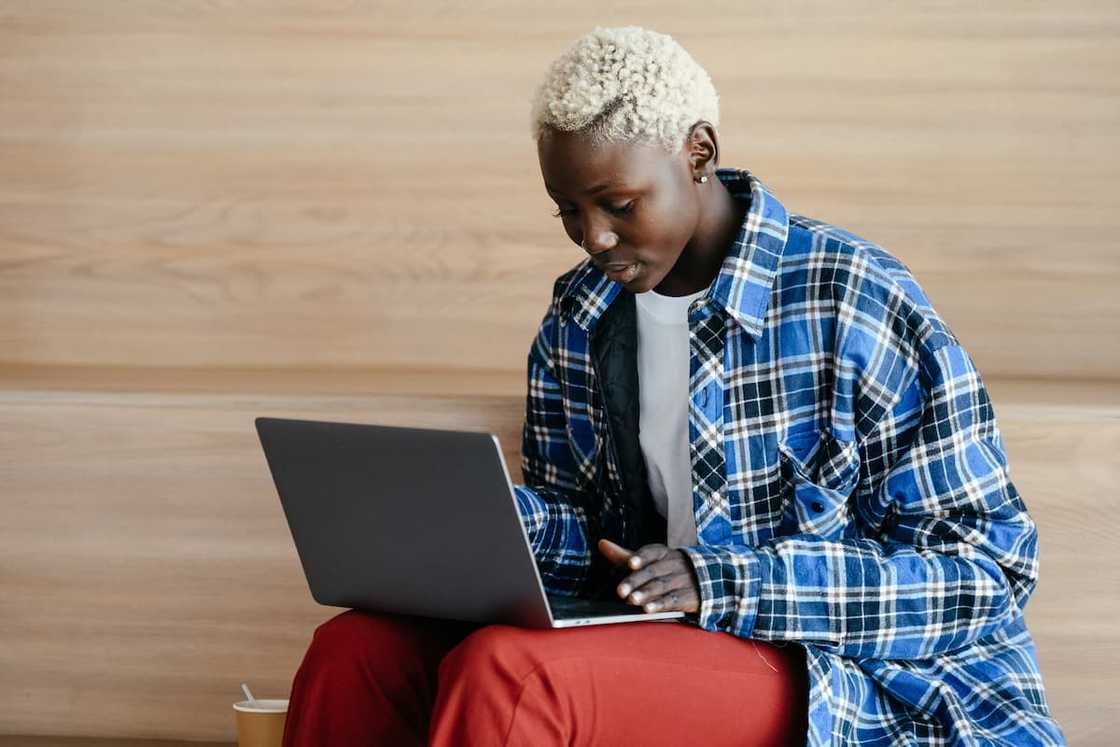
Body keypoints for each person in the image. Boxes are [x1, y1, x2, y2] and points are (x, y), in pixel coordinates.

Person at [281, 25, 1067, 746]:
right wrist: (477, 524)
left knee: (511, 673)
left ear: (697, 153)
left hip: (836, 672)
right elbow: (587, 536)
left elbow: (986, 575)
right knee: (353, 652)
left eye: (618, 205)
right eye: (568, 211)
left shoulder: (853, 297)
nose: (595, 238)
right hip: (645, 634)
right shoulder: (581, 314)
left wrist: (717, 580)